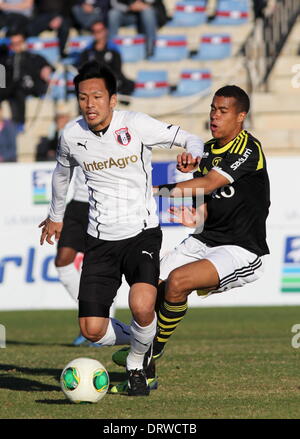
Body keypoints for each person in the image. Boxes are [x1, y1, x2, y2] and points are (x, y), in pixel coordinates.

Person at [39, 60, 204, 396]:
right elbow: (61, 175)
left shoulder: (136, 124)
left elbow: (190, 138)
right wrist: (56, 215)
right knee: (92, 330)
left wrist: (193, 155)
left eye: (97, 97)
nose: (90, 104)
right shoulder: (72, 134)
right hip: (99, 240)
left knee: (142, 305)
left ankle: (136, 366)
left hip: (141, 232)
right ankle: (146, 341)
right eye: (83, 97)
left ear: (112, 99)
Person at [111, 85, 270, 392]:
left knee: (179, 281)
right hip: (204, 240)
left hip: (241, 249)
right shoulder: (207, 151)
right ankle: (147, 373)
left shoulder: (249, 148)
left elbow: (210, 182)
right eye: (213, 109)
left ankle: (149, 351)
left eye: (223, 111)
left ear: (241, 117)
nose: (215, 116)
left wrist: (153, 190)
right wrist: (195, 216)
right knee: (147, 286)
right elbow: (207, 205)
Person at [0, 30, 53, 126]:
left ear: (23, 42)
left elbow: (47, 66)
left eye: (18, 43)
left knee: (18, 90)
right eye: (13, 43)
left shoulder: (33, 57)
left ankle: (20, 124)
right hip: (9, 87)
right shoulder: (5, 58)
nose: (16, 46)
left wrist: (46, 68)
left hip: (28, 86)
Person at [77, 20, 135, 97]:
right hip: (92, 83)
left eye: (99, 31)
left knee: (128, 84)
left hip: (110, 82)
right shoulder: (87, 51)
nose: (97, 33)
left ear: (105, 31)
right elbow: (82, 70)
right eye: (94, 31)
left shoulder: (113, 50)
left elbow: (117, 70)